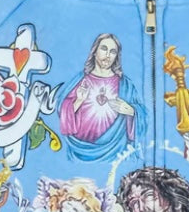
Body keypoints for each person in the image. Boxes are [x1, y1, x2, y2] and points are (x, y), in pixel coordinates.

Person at [59, 33, 144, 161]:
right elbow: (63, 114)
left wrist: (132, 111)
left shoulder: (125, 85)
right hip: (80, 152)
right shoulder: (81, 81)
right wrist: (78, 101)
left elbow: (144, 116)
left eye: (113, 51)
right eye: (104, 49)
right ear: (94, 51)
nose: (108, 55)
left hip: (115, 152)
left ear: (116, 56)